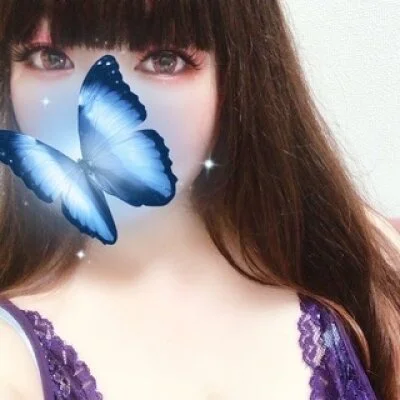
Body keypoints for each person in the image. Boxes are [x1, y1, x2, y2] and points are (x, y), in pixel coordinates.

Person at [0, 0, 399, 399]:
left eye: (164, 61)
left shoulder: (361, 260)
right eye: (50, 58)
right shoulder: (13, 359)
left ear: (237, 77)